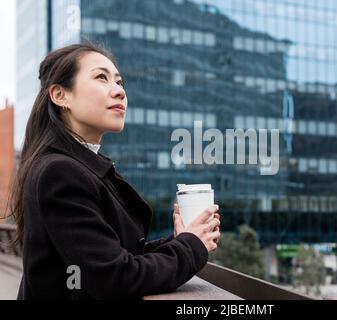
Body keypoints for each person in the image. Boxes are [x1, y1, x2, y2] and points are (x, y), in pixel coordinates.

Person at [9, 43, 221, 300]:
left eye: (120, 82)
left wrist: (181, 239)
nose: (119, 91)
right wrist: (190, 247)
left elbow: (114, 253)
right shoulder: (60, 173)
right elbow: (116, 278)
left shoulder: (78, 165)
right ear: (60, 95)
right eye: (101, 77)